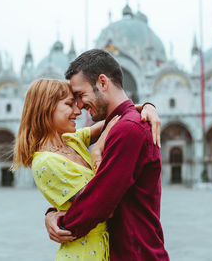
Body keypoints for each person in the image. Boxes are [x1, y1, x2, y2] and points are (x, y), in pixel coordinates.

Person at [11, 78, 160, 260]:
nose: (77, 111)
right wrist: (97, 149)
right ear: (46, 107)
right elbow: (101, 203)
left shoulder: (72, 140)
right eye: (69, 104)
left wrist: (146, 106)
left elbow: (115, 118)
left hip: (103, 249)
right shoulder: (46, 162)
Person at [45, 49, 170, 260]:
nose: (80, 106)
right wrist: (51, 212)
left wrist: (61, 224)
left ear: (103, 83)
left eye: (80, 95)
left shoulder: (128, 128)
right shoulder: (120, 123)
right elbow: (92, 188)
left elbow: (100, 200)